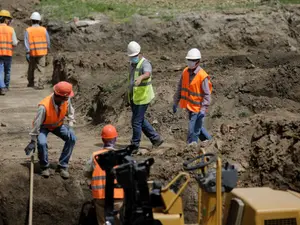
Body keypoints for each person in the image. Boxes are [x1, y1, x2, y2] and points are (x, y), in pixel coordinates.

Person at [24, 81, 76, 179]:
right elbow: (36, 124)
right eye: (65, 97)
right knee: (42, 143)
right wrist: (33, 140)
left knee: (72, 138)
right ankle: (44, 166)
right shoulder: (44, 107)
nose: (67, 99)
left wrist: (70, 126)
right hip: (43, 127)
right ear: (58, 96)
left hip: (58, 125)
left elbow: (70, 113)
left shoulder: (66, 100)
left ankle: (62, 166)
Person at [126, 41, 163, 152]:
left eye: (134, 56)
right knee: (140, 120)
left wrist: (141, 77)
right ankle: (155, 139)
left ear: (140, 53)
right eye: (131, 56)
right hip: (135, 97)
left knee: (136, 122)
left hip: (143, 97)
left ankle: (135, 145)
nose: (133, 58)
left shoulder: (145, 63)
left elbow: (147, 73)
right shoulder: (132, 64)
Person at [84, 124, 124, 225]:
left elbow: (86, 172)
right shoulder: (122, 156)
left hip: (101, 196)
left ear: (102, 139)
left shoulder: (95, 156)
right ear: (115, 139)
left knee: (103, 223)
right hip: (117, 196)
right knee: (118, 221)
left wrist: (90, 182)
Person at [173, 48, 213, 146]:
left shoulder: (202, 76)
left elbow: (207, 95)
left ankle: (191, 147)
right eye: (189, 60)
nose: (190, 62)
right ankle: (210, 142)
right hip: (189, 107)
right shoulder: (185, 72)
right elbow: (180, 88)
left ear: (198, 62)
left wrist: (203, 109)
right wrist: (175, 102)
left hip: (198, 109)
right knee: (198, 128)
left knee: (193, 130)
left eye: (192, 60)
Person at [24, 12, 50, 89]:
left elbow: (26, 42)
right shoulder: (43, 30)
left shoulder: (28, 30)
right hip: (42, 52)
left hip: (32, 52)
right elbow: (48, 41)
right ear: (39, 21)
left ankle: (31, 82)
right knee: (42, 68)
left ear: (31, 20)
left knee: (31, 68)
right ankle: (41, 84)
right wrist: (47, 48)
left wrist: (27, 51)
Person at [0, 10, 18, 95]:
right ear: (5, 19)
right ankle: (6, 86)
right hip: (7, 53)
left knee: (0, 71)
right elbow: (14, 43)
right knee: (7, 71)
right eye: (8, 19)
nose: (9, 20)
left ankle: (2, 87)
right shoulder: (11, 29)